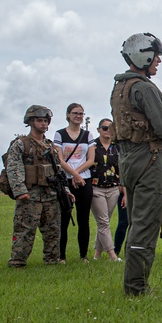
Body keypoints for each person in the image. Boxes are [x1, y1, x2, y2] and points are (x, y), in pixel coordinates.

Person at [111, 32, 162, 296]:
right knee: (146, 225)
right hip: (148, 158)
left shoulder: (120, 87)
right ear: (143, 56)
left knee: (136, 222)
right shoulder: (143, 88)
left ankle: (135, 285)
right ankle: (137, 289)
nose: (158, 62)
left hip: (128, 161)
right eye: (156, 57)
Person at [7, 105, 74, 267]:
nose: (43, 124)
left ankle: (52, 261)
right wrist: (20, 190)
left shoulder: (50, 146)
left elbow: (58, 171)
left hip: (51, 194)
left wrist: (66, 190)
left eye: (45, 121)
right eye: (39, 120)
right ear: (30, 122)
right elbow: (13, 168)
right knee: (24, 230)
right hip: (30, 195)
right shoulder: (21, 144)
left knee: (53, 230)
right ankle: (17, 262)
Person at [55, 103, 95, 263]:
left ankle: (83, 255)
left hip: (84, 180)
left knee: (83, 219)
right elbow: (59, 159)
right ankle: (61, 255)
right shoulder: (60, 135)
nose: (78, 116)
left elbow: (91, 159)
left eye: (81, 113)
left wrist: (78, 175)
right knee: (64, 218)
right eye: (75, 113)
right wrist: (73, 174)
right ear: (68, 115)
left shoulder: (87, 135)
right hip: (65, 181)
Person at [90, 118, 123, 261]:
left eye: (111, 127)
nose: (108, 130)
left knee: (105, 221)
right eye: (104, 128)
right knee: (103, 222)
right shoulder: (92, 146)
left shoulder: (117, 147)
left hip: (113, 188)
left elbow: (121, 169)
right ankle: (112, 255)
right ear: (98, 129)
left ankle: (97, 254)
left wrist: (124, 190)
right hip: (96, 187)